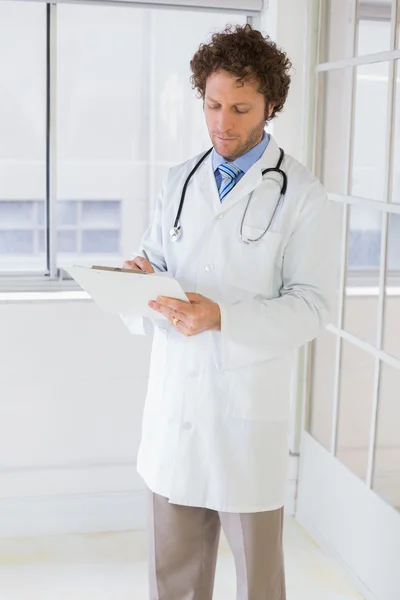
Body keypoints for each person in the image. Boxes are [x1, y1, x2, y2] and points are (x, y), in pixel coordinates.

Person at [122, 24, 335, 600]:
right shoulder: (180, 181)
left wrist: (225, 318)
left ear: (270, 105)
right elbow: (154, 263)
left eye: (240, 108)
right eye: (213, 104)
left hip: (246, 416)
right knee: (175, 581)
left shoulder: (303, 196)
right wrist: (138, 280)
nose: (223, 122)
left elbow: (313, 307)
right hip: (177, 411)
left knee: (258, 584)